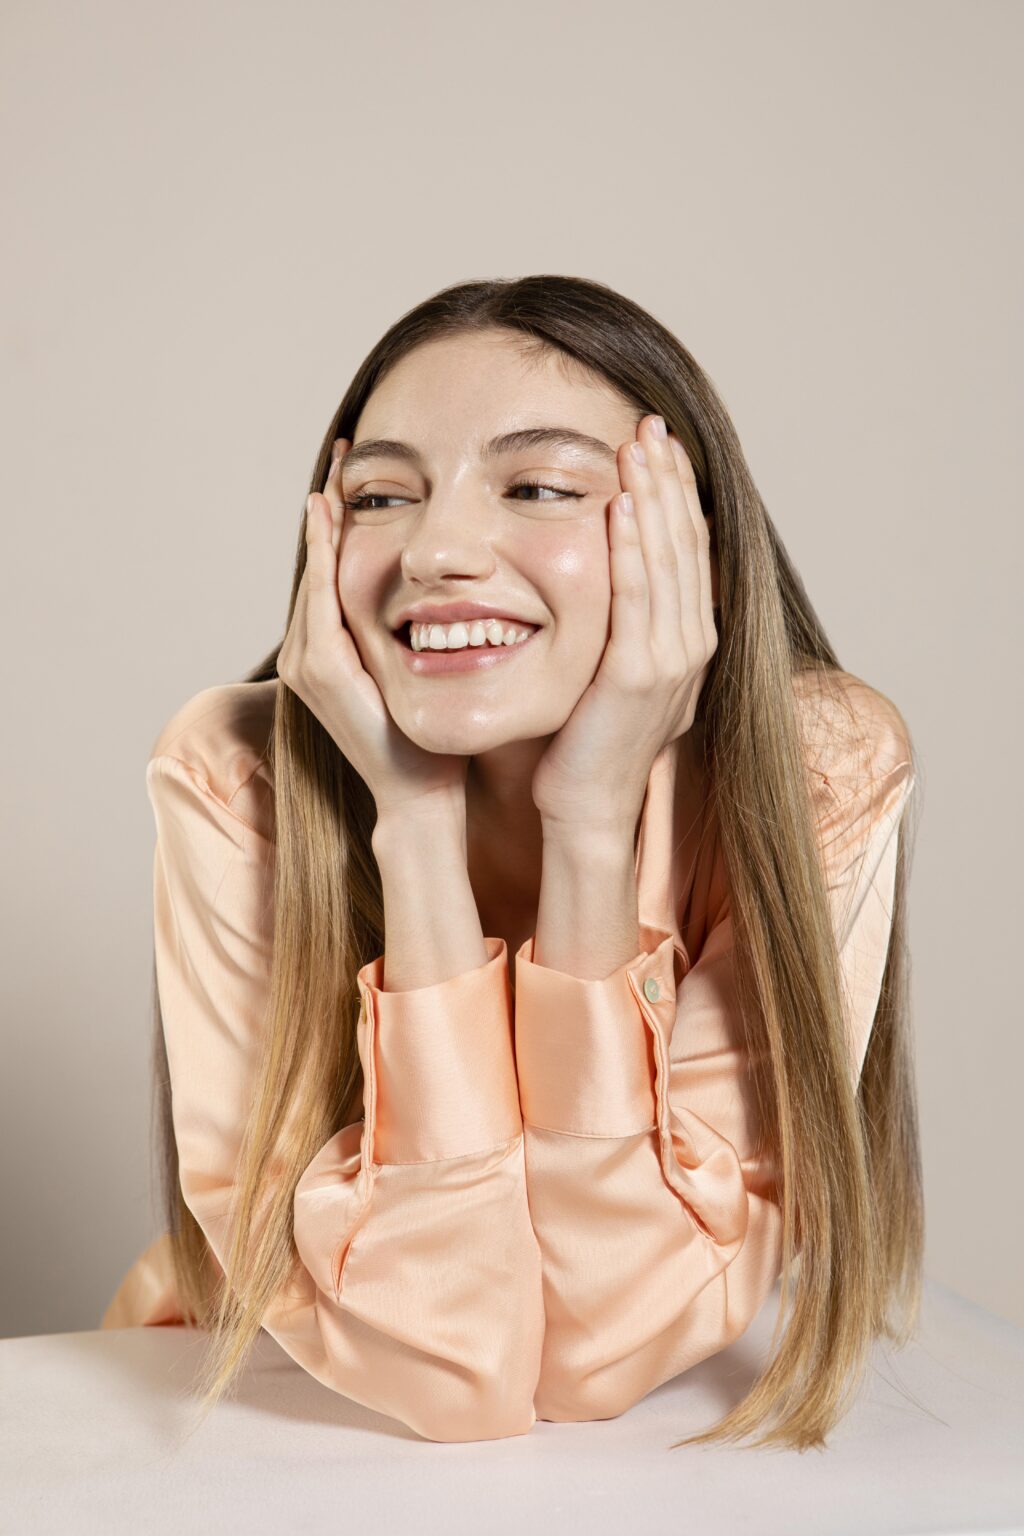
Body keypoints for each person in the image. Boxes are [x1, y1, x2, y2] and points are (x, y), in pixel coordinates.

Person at [101, 275, 921, 1450]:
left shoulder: (814, 774)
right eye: (381, 496)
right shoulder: (238, 777)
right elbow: (452, 1376)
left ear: (692, 547)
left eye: (537, 487)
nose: (436, 551)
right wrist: (411, 822)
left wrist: (589, 821)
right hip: (245, 1409)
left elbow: (602, 1348)